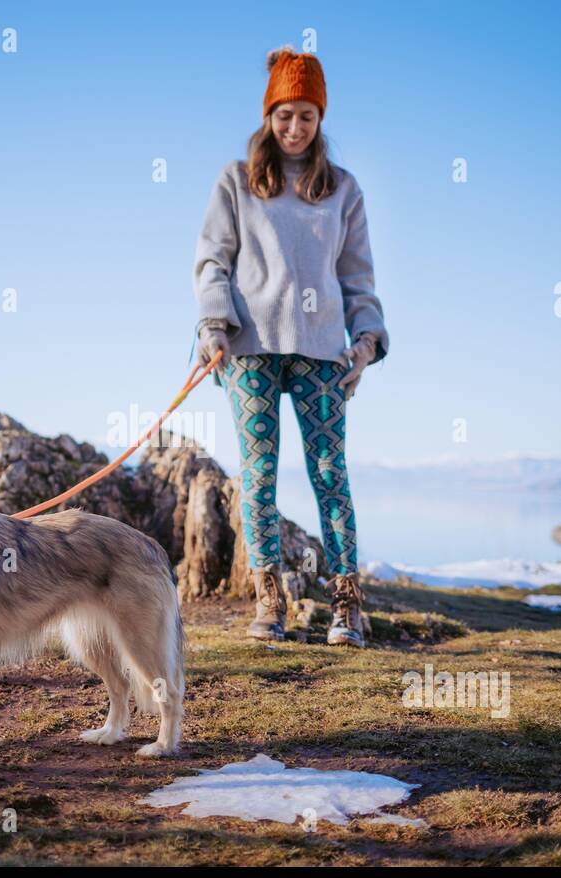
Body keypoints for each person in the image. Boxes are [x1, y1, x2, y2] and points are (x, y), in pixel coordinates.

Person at [193, 46, 388, 647]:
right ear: (268, 115)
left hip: (323, 352)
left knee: (330, 471)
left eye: (306, 115)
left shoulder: (343, 190)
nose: (295, 127)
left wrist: (367, 342)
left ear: (320, 117)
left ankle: (347, 608)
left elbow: (359, 279)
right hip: (249, 349)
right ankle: (269, 602)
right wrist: (213, 327)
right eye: (284, 115)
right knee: (259, 475)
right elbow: (213, 261)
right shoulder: (237, 180)